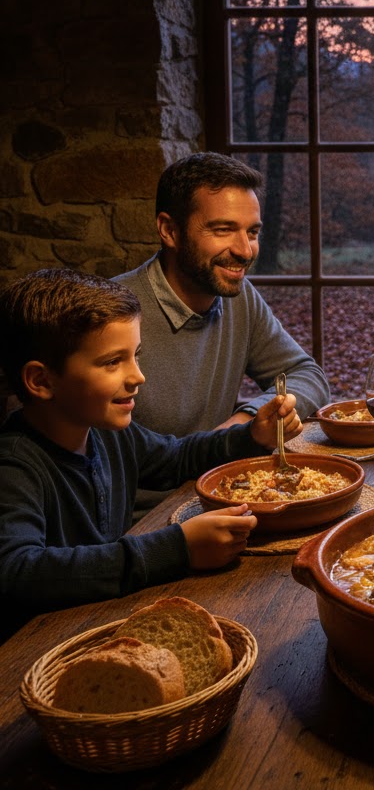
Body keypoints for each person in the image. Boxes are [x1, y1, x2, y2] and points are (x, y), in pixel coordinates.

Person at [0, 268, 303, 640]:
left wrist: (251, 435)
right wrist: (176, 548)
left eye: (135, 356)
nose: (137, 376)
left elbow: (176, 458)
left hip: (101, 621)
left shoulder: (107, 434)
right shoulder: (15, 463)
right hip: (35, 652)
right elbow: (16, 572)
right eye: (113, 362)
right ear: (41, 381)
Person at [115, 152, 331, 434]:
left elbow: (308, 376)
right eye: (223, 230)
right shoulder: (114, 312)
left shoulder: (240, 298)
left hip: (217, 474)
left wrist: (248, 419)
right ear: (169, 230)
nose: (244, 251)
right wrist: (227, 443)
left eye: (252, 233)